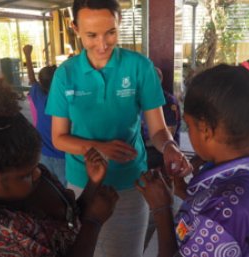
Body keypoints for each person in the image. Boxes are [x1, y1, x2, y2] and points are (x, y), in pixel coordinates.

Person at [45, 0, 192, 256]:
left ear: (119, 23)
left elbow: (158, 130)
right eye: (91, 35)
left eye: (110, 32)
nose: (102, 45)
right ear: (75, 28)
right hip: (83, 183)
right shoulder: (65, 74)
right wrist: (99, 148)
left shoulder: (139, 67)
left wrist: (169, 146)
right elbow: (59, 138)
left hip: (131, 183)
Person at [0, 80, 119, 257]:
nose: (38, 173)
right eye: (26, 174)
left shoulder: (28, 182)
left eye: (36, 166)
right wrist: (93, 222)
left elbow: (70, 220)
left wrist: (92, 184)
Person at [137, 60, 249, 257]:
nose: (188, 132)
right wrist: (186, 194)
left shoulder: (221, 216)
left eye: (189, 126)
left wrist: (161, 208)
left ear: (206, 130)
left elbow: (215, 219)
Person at [23, 44, 66, 185]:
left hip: (44, 155)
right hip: (63, 156)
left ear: (41, 84)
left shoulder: (38, 95)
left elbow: (31, 78)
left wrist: (28, 56)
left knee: (49, 187)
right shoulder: (65, 101)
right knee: (67, 191)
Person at [142, 66, 181, 169]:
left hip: (161, 150)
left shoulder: (168, 102)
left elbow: (169, 133)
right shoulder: (142, 99)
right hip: (145, 147)